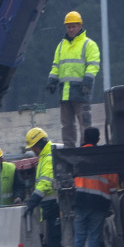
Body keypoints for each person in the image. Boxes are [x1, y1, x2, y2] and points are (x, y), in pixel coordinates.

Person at [47, 11, 101, 147]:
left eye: (73, 26)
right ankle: (69, 149)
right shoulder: (61, 46)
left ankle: (86, 148)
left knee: (85, 123)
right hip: (65, 93)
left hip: (81, 92)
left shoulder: (89, 44)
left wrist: (88, 81)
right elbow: (56, 66)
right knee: (66, 126)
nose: (71, 29)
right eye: (68, 27)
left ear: (80, 26)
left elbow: (93, 65)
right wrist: (52, 80)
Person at [72, 126, 117, 247]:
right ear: (98, 139)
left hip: (80, 201)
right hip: (98, 203)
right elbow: (112, 184)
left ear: (84, 138)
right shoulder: (103, 157)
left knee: (79, 238)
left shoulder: (77, 155)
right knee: (93, 238)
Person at [22, 126, 65, 247]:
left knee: (56, 243)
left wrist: (32, 201)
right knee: (53, 243)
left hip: (54, 207)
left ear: (38, 144)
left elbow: (45, 184)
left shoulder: (48, 158)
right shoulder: (46, 156)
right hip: (51, 208)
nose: (32, 150)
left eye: (32, 147)